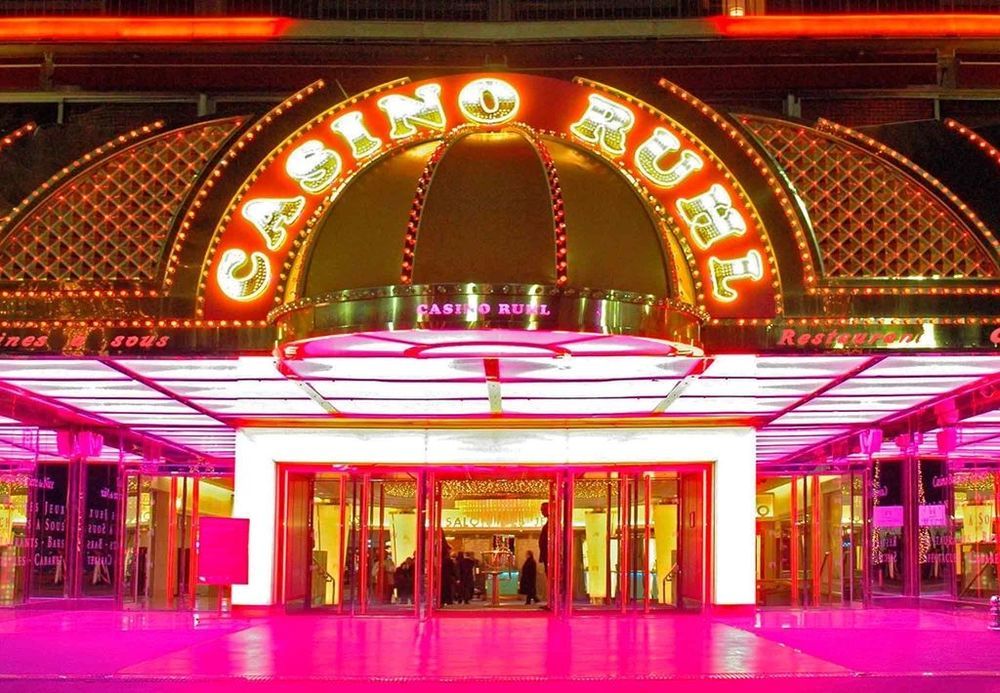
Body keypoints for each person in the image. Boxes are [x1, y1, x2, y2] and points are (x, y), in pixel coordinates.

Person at [440, 542, 456, 606]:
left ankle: (443, 600)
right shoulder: (449, 560)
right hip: (448, 576)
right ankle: (448, 600)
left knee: (443, 589)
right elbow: (452, 569)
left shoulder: (441, 560)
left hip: (442, 576)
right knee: (448, 589)